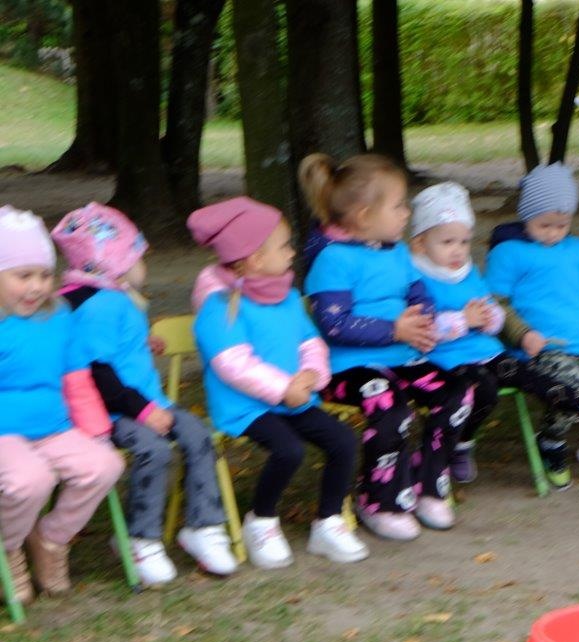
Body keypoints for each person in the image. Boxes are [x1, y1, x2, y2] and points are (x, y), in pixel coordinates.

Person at [54, 202, 238, 584]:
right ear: (114, 262)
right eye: (137, 254)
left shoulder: (109, 297)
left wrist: (141, 343)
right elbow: (98, 374)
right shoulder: (101, 306)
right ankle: (140, 538)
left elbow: (110, 350)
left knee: (197, 434)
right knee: (154, 450)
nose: (143, 262)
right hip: (113, 414)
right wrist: (143, 411)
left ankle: (203, 527)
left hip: (148, 402)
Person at [408, 179, 579, 488]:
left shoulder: (467, 271)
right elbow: (422, 328)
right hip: (446, 360)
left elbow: (492, 307)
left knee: (537, 377)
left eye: (463, 242)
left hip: (487, 352)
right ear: (420, 244)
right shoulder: (416, 277)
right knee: (489, 388)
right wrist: (474, 321)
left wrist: (490, 319)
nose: (458, 250)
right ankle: (475, 444)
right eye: (448, 243)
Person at [299, 153, 473, 536]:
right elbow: (334, 324)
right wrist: (394, 330)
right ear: (364, 216)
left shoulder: (396, 252)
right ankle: (379, 500)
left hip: (402, 359)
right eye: (397, 206)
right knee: (389, 406)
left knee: (456, 394)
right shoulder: (333, 259)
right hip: (349, 370)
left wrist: (423, 317)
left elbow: (418, 291)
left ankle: (429, 485)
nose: (406, 213)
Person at [189, 197, 368, 568]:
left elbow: (310, 343)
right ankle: (261, 520)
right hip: (244, 406)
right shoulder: (219, 306)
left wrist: (311, 375)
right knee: (289, 449)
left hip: (294, 398)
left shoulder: (286, 296)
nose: (292, 252)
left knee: (343, 441)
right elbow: (234, 365)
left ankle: (328, 522)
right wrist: (284, 389)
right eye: (285, 246)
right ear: (255, 259)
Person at [486, 164, 579, 489]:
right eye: (544, 225)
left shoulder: (577, 249)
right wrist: (522, 334)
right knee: (571, 380)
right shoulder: (508, 253)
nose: (554, 233)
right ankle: (551, 440)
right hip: (541, 348)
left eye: (562, 225)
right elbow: (496, 302)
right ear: (526, 215)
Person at [0, 206, 125, 605]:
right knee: (30, 480)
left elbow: (76, 380)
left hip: (54, 427)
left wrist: (96, 431)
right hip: (4, 434)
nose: (36, 287)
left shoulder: (58, 316)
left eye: (43, 275)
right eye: (23, 276)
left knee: (104, 465)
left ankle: (50, 540)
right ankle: (8, 549)